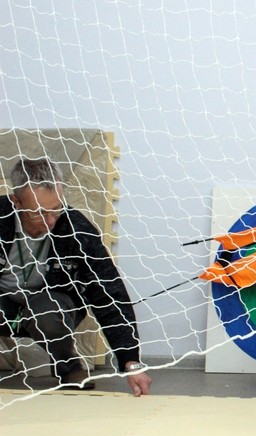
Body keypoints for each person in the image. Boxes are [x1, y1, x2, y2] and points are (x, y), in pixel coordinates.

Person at [0, 156, 152, 395]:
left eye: (56, 209)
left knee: (48, 312)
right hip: (4, 303)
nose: (51, 221)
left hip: (51, 305)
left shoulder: (77, 229)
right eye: (39, 213)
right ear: (16, 202)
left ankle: (68, 367)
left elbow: (109, 294)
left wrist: (130, 362)